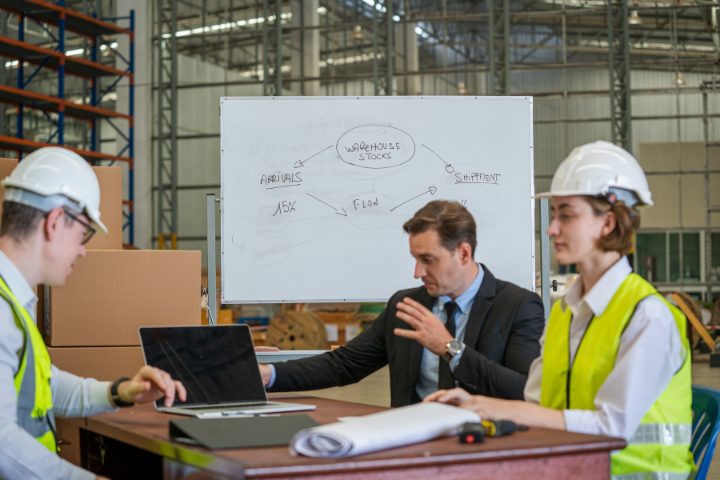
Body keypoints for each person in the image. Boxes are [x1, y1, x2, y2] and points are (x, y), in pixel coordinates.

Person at [426, 141, 695, 480]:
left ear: (608, 223)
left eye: (566, 215)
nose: (552, 228)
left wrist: (496, 407)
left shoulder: (647, 316)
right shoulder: (566, 311)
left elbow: (612, 428)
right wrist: (475, 407)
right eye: (554, 215)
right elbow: (541, 407)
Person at [0, 147, 187, 480]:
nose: (83, 249)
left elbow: (45, 384)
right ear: (55, 222)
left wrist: (121, 391)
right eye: (84, 232)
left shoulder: (13, 302)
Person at [259, 200, 544, 407]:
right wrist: (268, 375)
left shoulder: (518, 306)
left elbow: (523, 389)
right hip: (412, 449)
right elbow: (344, 364)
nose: (418, 272)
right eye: (415, 259)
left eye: (428, 260)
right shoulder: (406, 304)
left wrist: (450, 348)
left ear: (463, 253)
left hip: (483, 450)